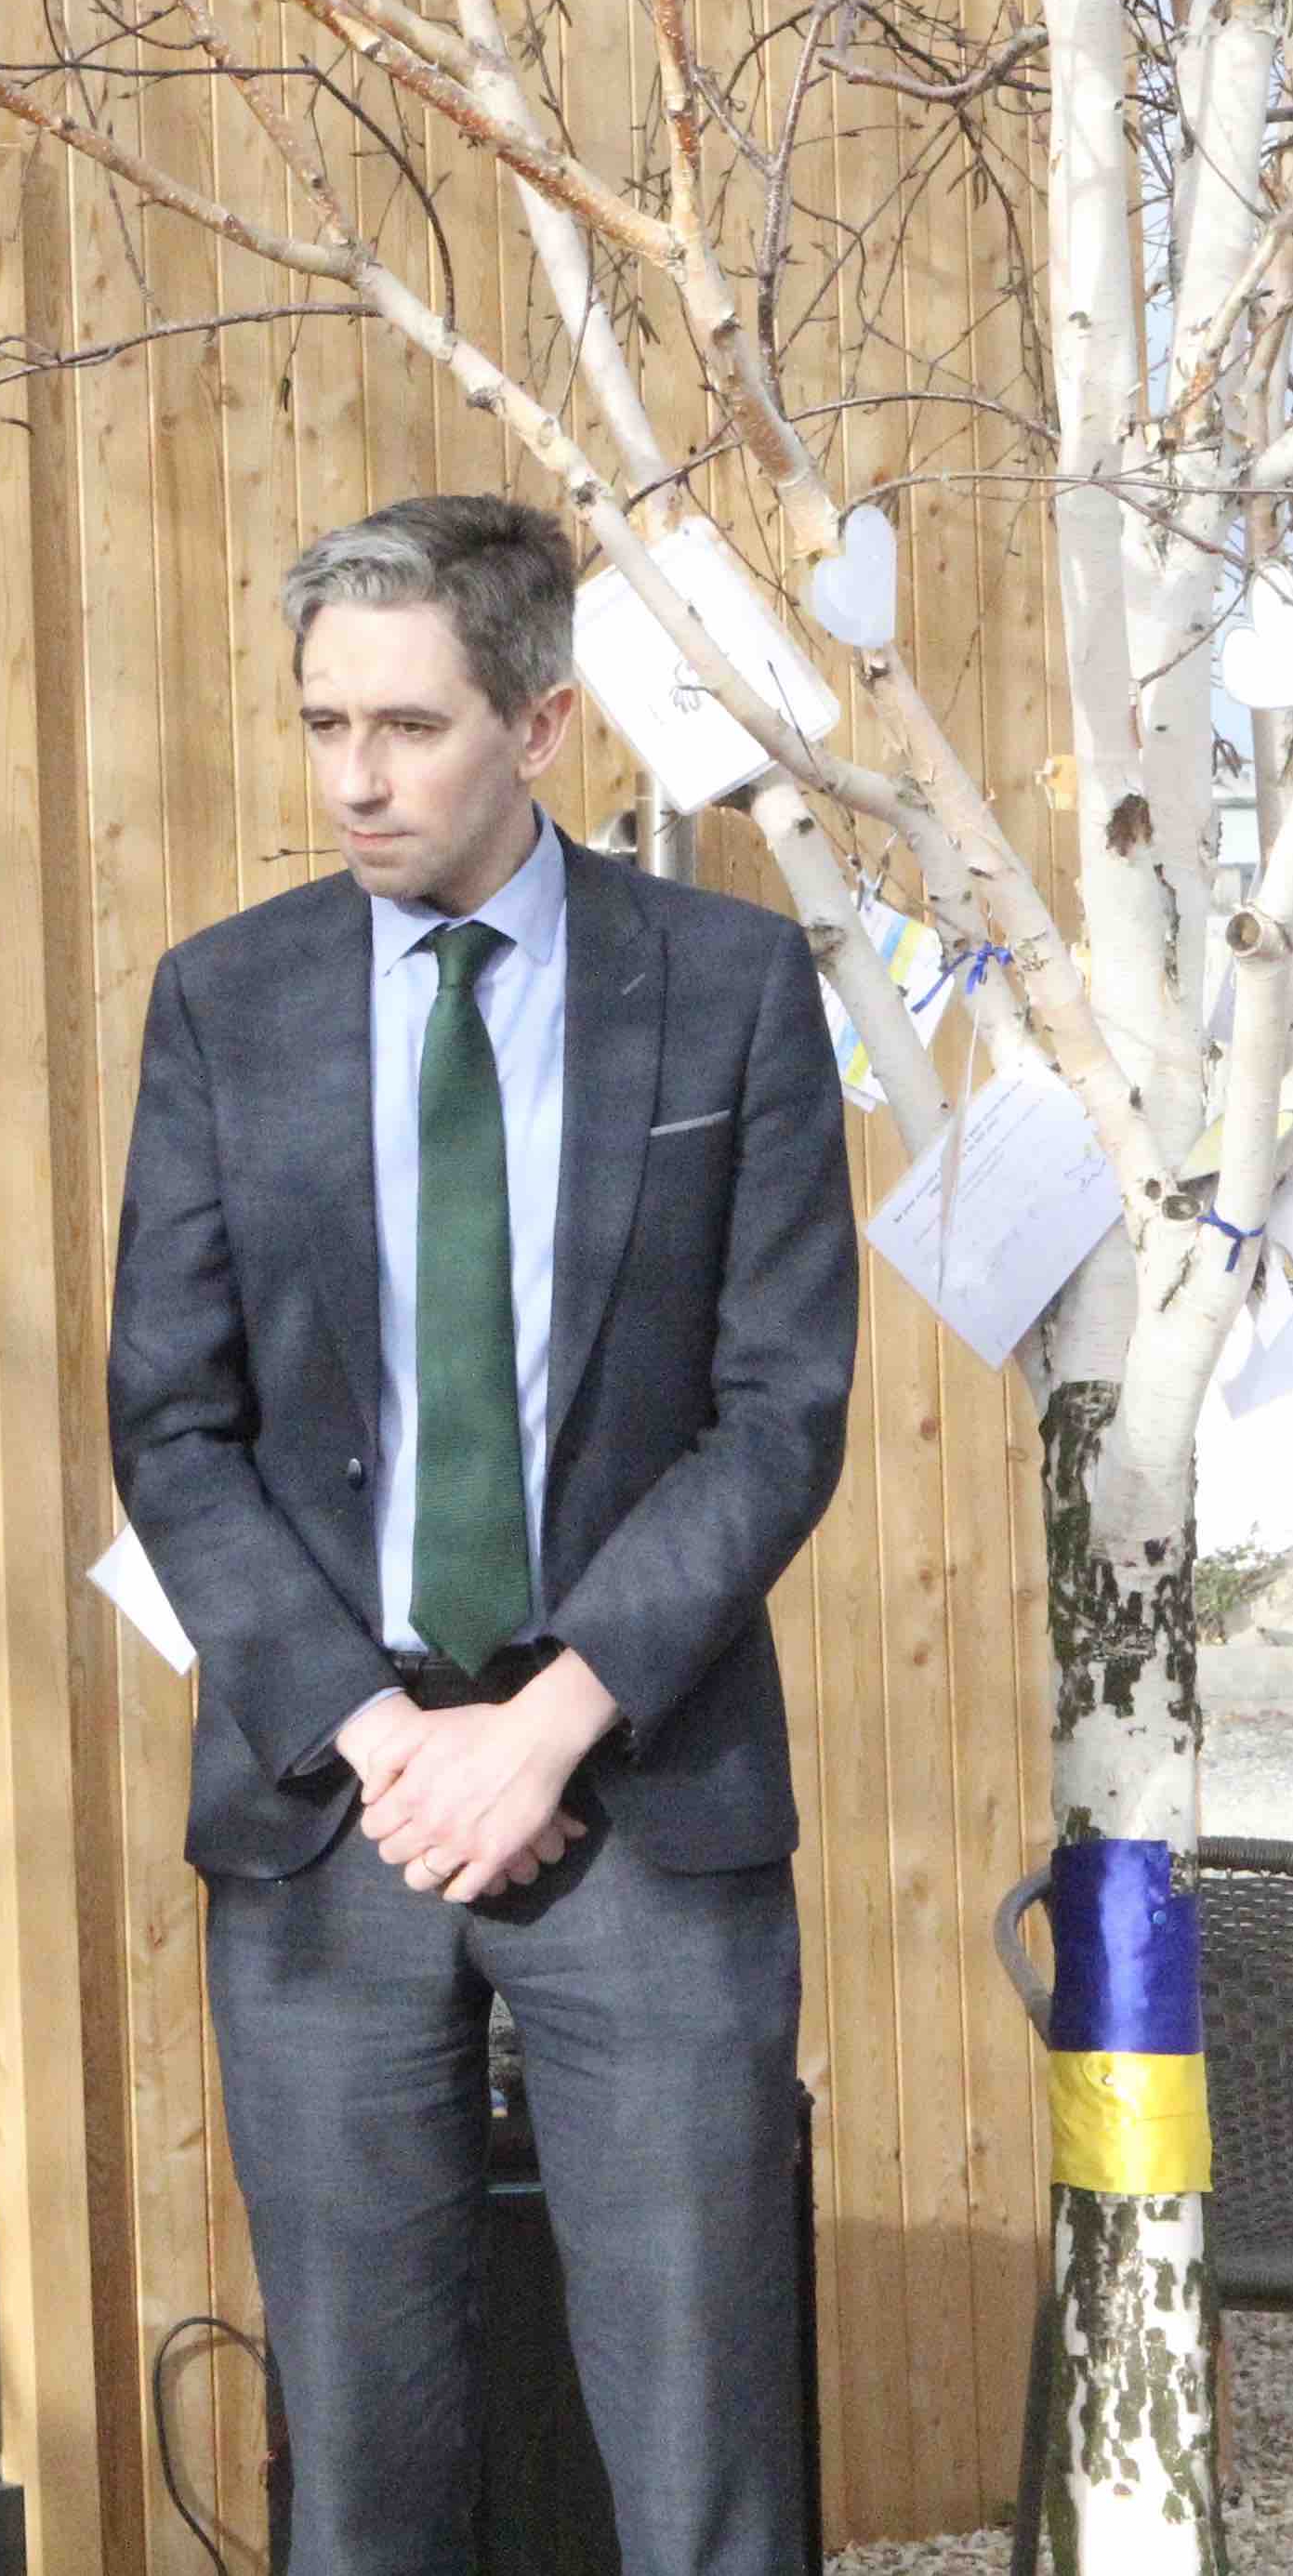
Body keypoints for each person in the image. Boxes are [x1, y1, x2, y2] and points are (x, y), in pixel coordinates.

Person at [106, 495, 857, 2572]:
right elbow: (168, 1425)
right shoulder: (222, 1002)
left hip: (643, 1781)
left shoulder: (717, 989)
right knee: (361, 2467)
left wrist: (542, 1724)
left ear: (539, 723)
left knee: (703, 2453)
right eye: (320, 721)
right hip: (328, 1814)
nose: (351, 776)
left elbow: (777, 1407)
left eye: (408, 726)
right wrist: (380, 1735)